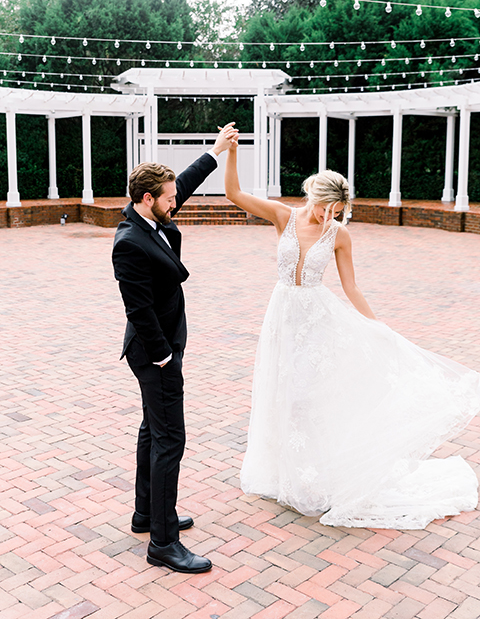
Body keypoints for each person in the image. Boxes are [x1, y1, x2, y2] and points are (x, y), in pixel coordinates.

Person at [225, 137, 480, 530]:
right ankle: (286, 475)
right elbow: (234, 193)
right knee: (282, 393)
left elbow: (351, 287)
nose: (333, 218)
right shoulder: (282, 216)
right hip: (282, 317)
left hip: (316, 319)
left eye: (340, 212)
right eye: (330, 210)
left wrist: (378, 328)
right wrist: (234, 152)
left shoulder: (340, 235)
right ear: (315, 197)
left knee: (307, 398)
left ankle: (317, 479)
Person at [112, 122, 238, 573]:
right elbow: (138, 309)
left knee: (152, 429)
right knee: (170, 440)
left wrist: (216, 151)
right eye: (168, 199)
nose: (175, 201)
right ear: (148, 199)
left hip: (161, 347)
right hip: (155, 352)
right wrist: (165, 354)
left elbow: (179, 183)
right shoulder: (129, 243)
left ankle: (147, 514)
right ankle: (163, 544)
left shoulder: (151, 213)